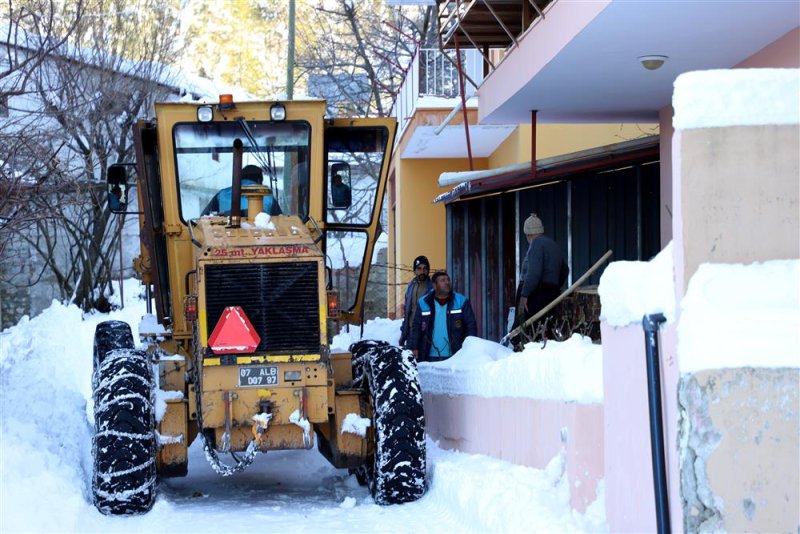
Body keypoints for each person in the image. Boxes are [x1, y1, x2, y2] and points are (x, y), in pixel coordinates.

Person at [513, 213, 569, 334]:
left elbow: (534, 273)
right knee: (545, 329)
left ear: (528, 234)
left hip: (535, 294)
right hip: (550, 294)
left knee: (524, 330)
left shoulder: (536, 244)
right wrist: (554, 286)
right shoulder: (554, 245)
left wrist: (524, 295)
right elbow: (565, 270)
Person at [409, 270, 477, 361]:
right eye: (442, 280)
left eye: (448, 280)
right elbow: (416, 327)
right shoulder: (423, 302)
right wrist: (414, 347)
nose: (447, 282)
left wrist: (468, 348)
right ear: (434, 285)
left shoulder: (461, 301)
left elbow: (471, 326)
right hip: (428, 355)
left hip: (455, 354)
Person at [202, 165, 280, 216]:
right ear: (259, 180)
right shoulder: (268, 197)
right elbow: (280, 221)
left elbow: (203, 219)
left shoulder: (221, 195)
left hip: (225, 238)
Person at [399, 255, 433, 348]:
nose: (422, 271)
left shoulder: (432, 287)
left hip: (426, 331)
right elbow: (407, 311)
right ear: (414, 270)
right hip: (411, 330)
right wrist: (404, 333)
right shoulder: (411, 286)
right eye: (419, 268)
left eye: (425, 268)